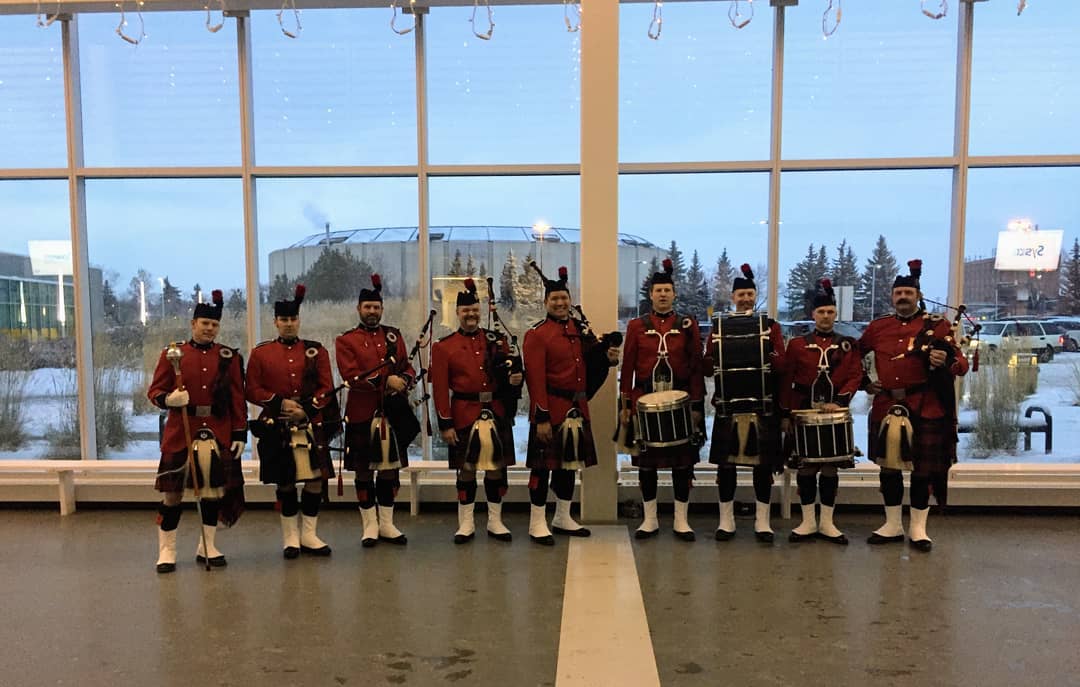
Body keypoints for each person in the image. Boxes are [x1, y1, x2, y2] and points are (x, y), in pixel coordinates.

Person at [858, 259, 968, 552]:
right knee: (889, 469)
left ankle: (918, 528)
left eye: (908, 292)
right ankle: (892, 525)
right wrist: (865, 384)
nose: (903, 297)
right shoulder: (877, 327)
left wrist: (946, 362)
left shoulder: (937, 326)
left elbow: (961, 363)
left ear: (918, 295)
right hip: (887, 403)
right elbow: (851, 357)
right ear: (892, 297)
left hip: (925, 404)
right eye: (898, 293)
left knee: (922, 470)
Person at [147, 289, 247, 573]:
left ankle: (207, 546)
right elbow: (154, 391)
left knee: (212, 492)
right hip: (182, 430)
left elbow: (237, 398)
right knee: (172, 495)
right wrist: (168, 400)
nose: (210, 329)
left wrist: (240, 433)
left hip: (217, 431)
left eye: (214, 325)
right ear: (193, 324)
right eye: (205, 324)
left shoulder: (229, 357)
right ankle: (167, 550)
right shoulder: (173, 354)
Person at [522, 265, 620, 545]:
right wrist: (540, 417)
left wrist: (608, 355)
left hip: (575, 408)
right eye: (554, 299)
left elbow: (593, 362)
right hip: (550, 408)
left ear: (569, 300)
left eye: (564, 298)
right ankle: (537, 522)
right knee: (542, 468)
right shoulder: (537, 335)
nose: (560, 303)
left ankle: (562, 516)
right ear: (546, 303)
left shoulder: (578, 330)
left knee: (568, 466)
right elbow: (535, 380)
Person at [247, 284, 337, 559]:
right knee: (284, 483)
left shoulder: (316, 351)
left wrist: (306, 411)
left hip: (309, 424)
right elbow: (251, 389)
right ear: (275, 322)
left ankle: (309, 534)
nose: (289, 324)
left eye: (293, 319)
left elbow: (327, 387)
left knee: (313, 481)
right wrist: (279, 402)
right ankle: (290, 537)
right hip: (276, 423)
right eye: (284, 320)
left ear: (299, 321)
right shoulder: (260, 353)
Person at [618, 259, 705, 541]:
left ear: (674, 294)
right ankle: (650, 519)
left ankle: (681, 520)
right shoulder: (636, 326)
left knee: (682, 464)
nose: (663, 295)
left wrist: (696, 405)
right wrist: (625, 406)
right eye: (659, 291)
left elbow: (695, 367)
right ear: (651, 295)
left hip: (679, 404)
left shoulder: (687, 325)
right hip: (644, 402)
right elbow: (628, 367)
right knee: (647, 465)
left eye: (668, 290)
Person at [430, 278, 522, 544]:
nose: (471, 314)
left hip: (495, 410)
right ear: (457, 313)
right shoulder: (443, 347)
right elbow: (440, 391)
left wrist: (516, 379)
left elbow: (510, 373)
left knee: (496, 469)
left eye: (474, 309)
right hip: (463, 412)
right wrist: (445, 424)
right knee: (466, 470)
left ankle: (495, 521)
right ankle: (466, 523)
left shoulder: (498, 341)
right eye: (465, 310)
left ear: (480, 311)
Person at [336, 274, 417, 547]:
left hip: (392, 413)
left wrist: (404, 379)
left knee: (388, 470)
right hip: (362, 413)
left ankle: (387, 524)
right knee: (363, 471)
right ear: (359, 309)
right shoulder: (345, 341)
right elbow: (351, 375)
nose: (372, 312)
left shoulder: (394, 336)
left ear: (382, 309)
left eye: (376, 307)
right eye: (367, 307)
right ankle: (369, 526)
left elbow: (407, 367)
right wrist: (386, 381)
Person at [707, 264, 786, 543]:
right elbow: (708, 364)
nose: (745, 299)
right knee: (725, 468)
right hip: (728, 405)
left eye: (749, 294)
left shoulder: (771, 327)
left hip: (761, 404)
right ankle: (725, 521)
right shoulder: (719, 326)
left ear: (756, 295)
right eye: (740, 294)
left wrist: (765, 352)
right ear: (732, 297)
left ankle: (762, 522)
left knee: (762, 468)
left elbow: (781, 364)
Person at [781, 279, 862, 545]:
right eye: (821, 312)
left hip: (834, 415)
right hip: (804, 414)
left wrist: (839, 401)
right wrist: (788, 413)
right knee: (806, 469)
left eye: (830, 312)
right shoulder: (796, 345)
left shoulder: (847, 345)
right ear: (812, 315)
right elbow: (786, 379)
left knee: (829, 468)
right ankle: (807, 522)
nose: (826, 316)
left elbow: (854, 375)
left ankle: (827, 523)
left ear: (835, 314)